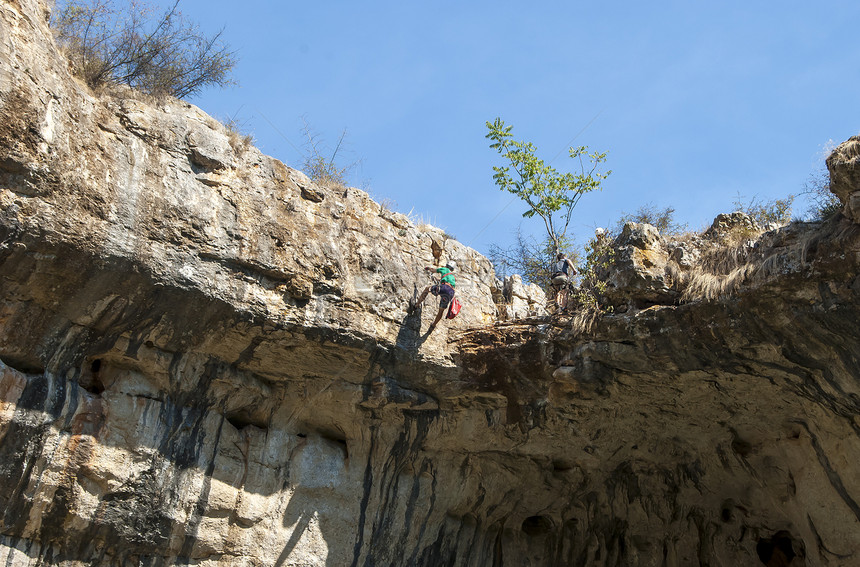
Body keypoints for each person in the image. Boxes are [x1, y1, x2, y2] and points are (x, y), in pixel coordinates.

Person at [410, 261, 456, 334]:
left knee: (427, 289)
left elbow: (433, 270)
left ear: (447, 265)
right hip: (451, 293)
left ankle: (416, 305)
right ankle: (433, 325)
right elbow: (446, 282)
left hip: (444, 287)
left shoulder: (444, 269)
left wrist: (428, 268)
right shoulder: (453, 277)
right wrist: (438, 280)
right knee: (441, 310)